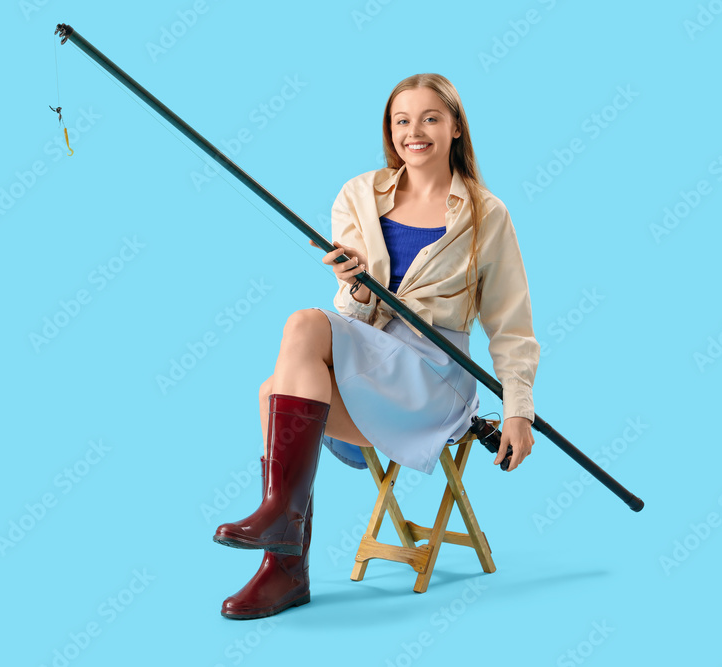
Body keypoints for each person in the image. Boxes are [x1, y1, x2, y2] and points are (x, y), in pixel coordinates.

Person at [212, 73, 541, 620]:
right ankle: (284, 561)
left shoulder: (488, 214)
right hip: (372, 352)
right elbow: (352, 315)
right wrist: (355, 283)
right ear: (390, 131)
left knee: (297, 336)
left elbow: (511, 323)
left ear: (456, 126)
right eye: (402, 120)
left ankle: (282, 547)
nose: (416, 132)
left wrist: (519, 411)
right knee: (276, 383)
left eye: (431, 118)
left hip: (434, 377)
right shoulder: (359, 194)